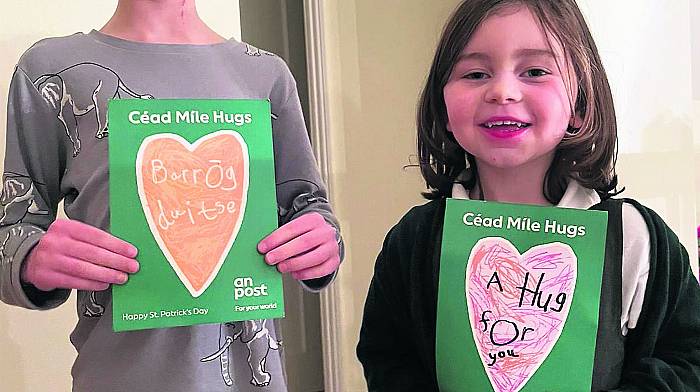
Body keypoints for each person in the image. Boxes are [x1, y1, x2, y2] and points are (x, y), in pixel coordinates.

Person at [356, 0, 700, 390]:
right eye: (475, 73)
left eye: (535, 71)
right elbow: (388, 359)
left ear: (580, 105)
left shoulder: (634, 237)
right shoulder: (415, 242)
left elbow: (687, 359)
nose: (502, 91)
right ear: (444, 108)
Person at [0, 1, 342, 391]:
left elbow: (310, 207)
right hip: (115, 377)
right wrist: (29, 258)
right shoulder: (49, 69)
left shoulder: (266, 75)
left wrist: (323, 244)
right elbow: (12, 228)